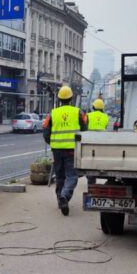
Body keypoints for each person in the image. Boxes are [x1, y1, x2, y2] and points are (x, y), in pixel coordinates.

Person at [43, 85, 87, 216]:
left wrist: (52, 143)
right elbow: (85, 130)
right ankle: (65, 196)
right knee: (72, 176)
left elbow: (45, 132)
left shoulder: (52, 114)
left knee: (60, 176)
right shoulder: (79, 113)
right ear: (71, 98)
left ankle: (60, 200)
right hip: (72, 150)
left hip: (57, 150)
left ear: (59, 99)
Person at [85, 99, 109, 185]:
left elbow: (85, 127)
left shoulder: (88, 115)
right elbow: (106, 128)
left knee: (90, 162)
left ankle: (91, 180)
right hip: (101, 142)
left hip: (89, 141)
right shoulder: (105, 117)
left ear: (93, 107)